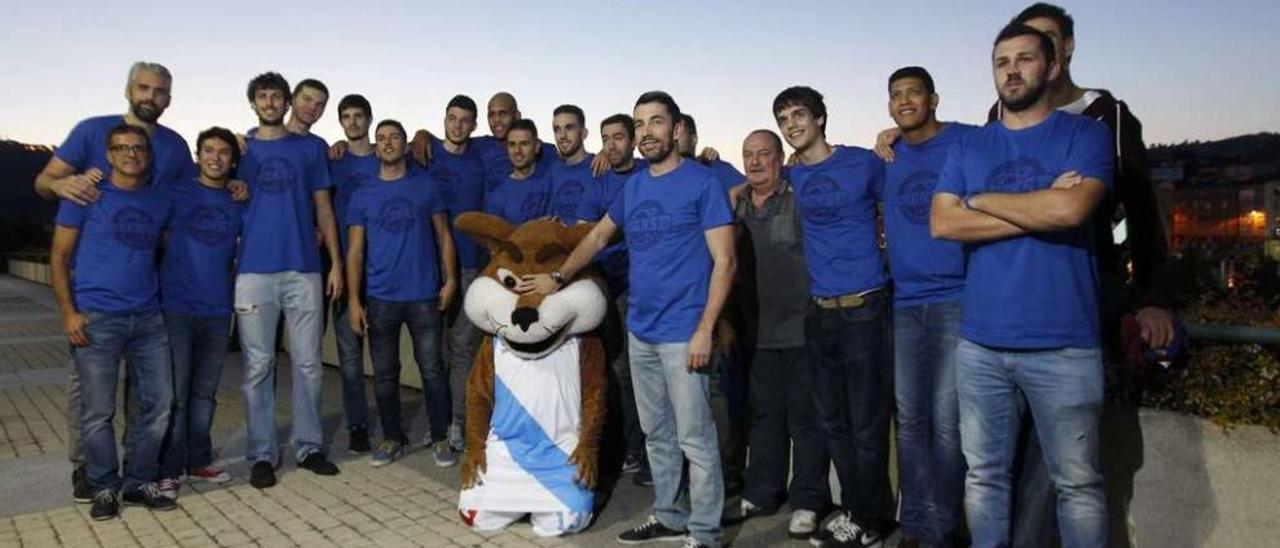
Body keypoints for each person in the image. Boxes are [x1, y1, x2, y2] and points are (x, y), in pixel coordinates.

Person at [522, 91, 736, 548]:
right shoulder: (634, 187)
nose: (647, 132)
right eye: (640, 124)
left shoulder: (702, 183)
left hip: (684, 334)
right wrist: (557, 278)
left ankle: (706, 533)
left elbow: (726, 263)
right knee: (657, 434)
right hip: (642, 330)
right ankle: (669, 515)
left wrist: (705, 328)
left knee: (695, 439)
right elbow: (599, 236)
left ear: (676, 130)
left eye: (656, 122)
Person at [930, 23, 1114, 548]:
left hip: (1065, 343)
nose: (1011, 70)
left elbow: (1072, 209)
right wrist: (1040, 206)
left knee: (1078, 485)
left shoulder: (1085, 135)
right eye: (1001, 61)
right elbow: (943, 223)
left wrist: (981, 200)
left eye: (1024, 58)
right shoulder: (971, 145)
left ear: (1052, 67)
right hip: (981, 343)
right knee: (984, 477)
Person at [773, 85, 893, 548]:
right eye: (784, 119)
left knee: (866, 422)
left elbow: (900, 205)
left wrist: (894, 137)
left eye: (799, 115)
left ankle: (871, 521)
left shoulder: (863, 163)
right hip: (819, 312)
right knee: (832, 422)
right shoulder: (792, 176)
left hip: (865, 308)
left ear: (820, 118)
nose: (792, 125)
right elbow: (756, 181)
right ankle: (858, 513)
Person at [50, 124, 176, 520]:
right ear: (109, 155)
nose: (131, 154)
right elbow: (58, 257)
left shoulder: (159, 201)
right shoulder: (85, 196)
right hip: (98, 317)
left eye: (138, 148)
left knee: (158, 404)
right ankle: (104, 485)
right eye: (122, 148)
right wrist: (68, 312)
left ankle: (138, 480)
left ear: (148, 155)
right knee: (97, 411)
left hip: (148, 317)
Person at [880, 67, 978, 548]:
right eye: (895, 95)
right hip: (905, 302)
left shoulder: (964, 140)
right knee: (911, 419)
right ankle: (915, 526)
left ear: (933, 99)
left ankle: (942, 526)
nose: (903, 101)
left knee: (946, 420)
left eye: (912, 93)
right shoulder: (890, 154)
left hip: (955, 298)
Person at [235, 72, 344, 489]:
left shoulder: (310, 149)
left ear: (287, 103)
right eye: (261, 96)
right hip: (253, 272)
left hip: (303, 269)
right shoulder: (241, 149)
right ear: (253, 102)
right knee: (259, 366)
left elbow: (324, 209)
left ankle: (310, 447)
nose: (269, 102)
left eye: (275, 96)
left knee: (309, 364)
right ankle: (262, 453)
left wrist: (334, 262)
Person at [733, 129, 829, 540]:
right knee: (765, 417)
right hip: (756, 331)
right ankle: (763, 491)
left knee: (806, 421)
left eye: (764, 154)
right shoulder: (735, 205)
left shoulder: (798, 196)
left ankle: (807, 500)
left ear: (781, 158)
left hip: (802, 328)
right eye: (748, 155)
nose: (755, 162)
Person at [345, 120, 458, 468]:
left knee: (432, 370)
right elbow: (355, 252)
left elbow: (443, 236)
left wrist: (451, 279)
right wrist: (353, 300)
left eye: (394, 137)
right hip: (381, 298)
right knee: (384, 374)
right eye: (381, 138)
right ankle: (393, 437)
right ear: (376, 147)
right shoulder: (363, 193)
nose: (387, 142)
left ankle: (440, 437)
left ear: (406, 144)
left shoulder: (425, 186)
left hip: (424, 294)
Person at [155, 127, 244, 499]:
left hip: (217, 310)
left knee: (205, 393)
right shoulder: (175, 194)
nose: (215, 158)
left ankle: (198, 460)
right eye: (208, 150)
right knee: (176, 393)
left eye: (223, 152)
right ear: (198, 155)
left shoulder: (237, 200)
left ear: (232, 160)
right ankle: (169, 469)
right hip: (176, 306)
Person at [575, 113, 649, 482]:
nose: (612, 144)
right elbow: (585, 230)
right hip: (601, 283)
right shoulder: (599, 180)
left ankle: (636, 448)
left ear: (633, 139)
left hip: (637, 287)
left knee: (630, 371)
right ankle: (618, 443)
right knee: (603, 367)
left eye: (618, 137)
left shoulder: (647, 175)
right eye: (606, 138)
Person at [425, 95, 488, 454]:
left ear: (474, 126)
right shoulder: (425, 155)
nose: (458, 125)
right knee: (433, 351)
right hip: (426, 267)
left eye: (466, 120)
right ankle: (439, 419)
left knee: (464, 347)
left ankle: (458, 424)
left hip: (469, 267)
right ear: (444, 119)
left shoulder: (480, 164)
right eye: (452, 118)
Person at [328, 93, 379, 454]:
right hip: (345, 266)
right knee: (349, 356)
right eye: (346, 116)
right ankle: (358, 425)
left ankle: (390, 421)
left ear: (369, 119)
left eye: (358, 115)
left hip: (385, 267)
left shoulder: (390, 156)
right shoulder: (334, 162)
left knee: (383, 354)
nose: (353, 122)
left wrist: (422, 132)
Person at [483, 118, 552, 225]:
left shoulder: (553, 177)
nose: (517, 151)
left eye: (524, 144)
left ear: (537, 146)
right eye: (512, 144)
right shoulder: (497, 196)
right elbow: (495, 239)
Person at [547, 104, 600, 222]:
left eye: (569, 128)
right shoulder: (552, 170)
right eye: (557, 129)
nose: (562, 136)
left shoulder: (600, 166)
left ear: (584, 133)